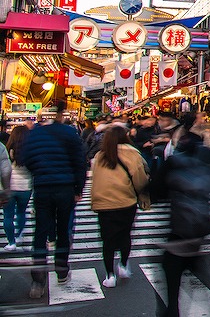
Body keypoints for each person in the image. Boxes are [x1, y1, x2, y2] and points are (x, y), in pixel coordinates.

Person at [151, 127, 210, 317]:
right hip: (201, 226)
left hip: (179, 228)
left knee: (171, 272)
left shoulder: (173, 163)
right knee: (196, 267)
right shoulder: (205, 162)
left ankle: (171, 311)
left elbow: (155, 191)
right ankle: (209, 309)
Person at [21, 101, 86, 297]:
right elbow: (79, 161)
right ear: (61, 114)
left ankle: (38, 280)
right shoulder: (69, 133)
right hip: (65, 187)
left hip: (42, 188)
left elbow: (26, 158)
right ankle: (62, 270)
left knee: (41, 232)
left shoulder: (35, 134)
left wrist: (39, 173)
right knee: (63, 230)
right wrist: (78, 188)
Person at [89, 124, 149, 288]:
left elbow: (96, 180)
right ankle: (123, 265)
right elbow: (140, 178)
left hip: (103, 203)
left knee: (107, 240)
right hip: (126, 201)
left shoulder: (100, 156)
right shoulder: (133, 154)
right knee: (125, 234)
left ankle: (110, 275)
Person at [3, 125, 31, 250]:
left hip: (9, 186)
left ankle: (11, 242)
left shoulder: (7, 150)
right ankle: (19, 234)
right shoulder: (30, 151)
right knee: (21, 212)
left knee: (8, 215)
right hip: (25, 186)